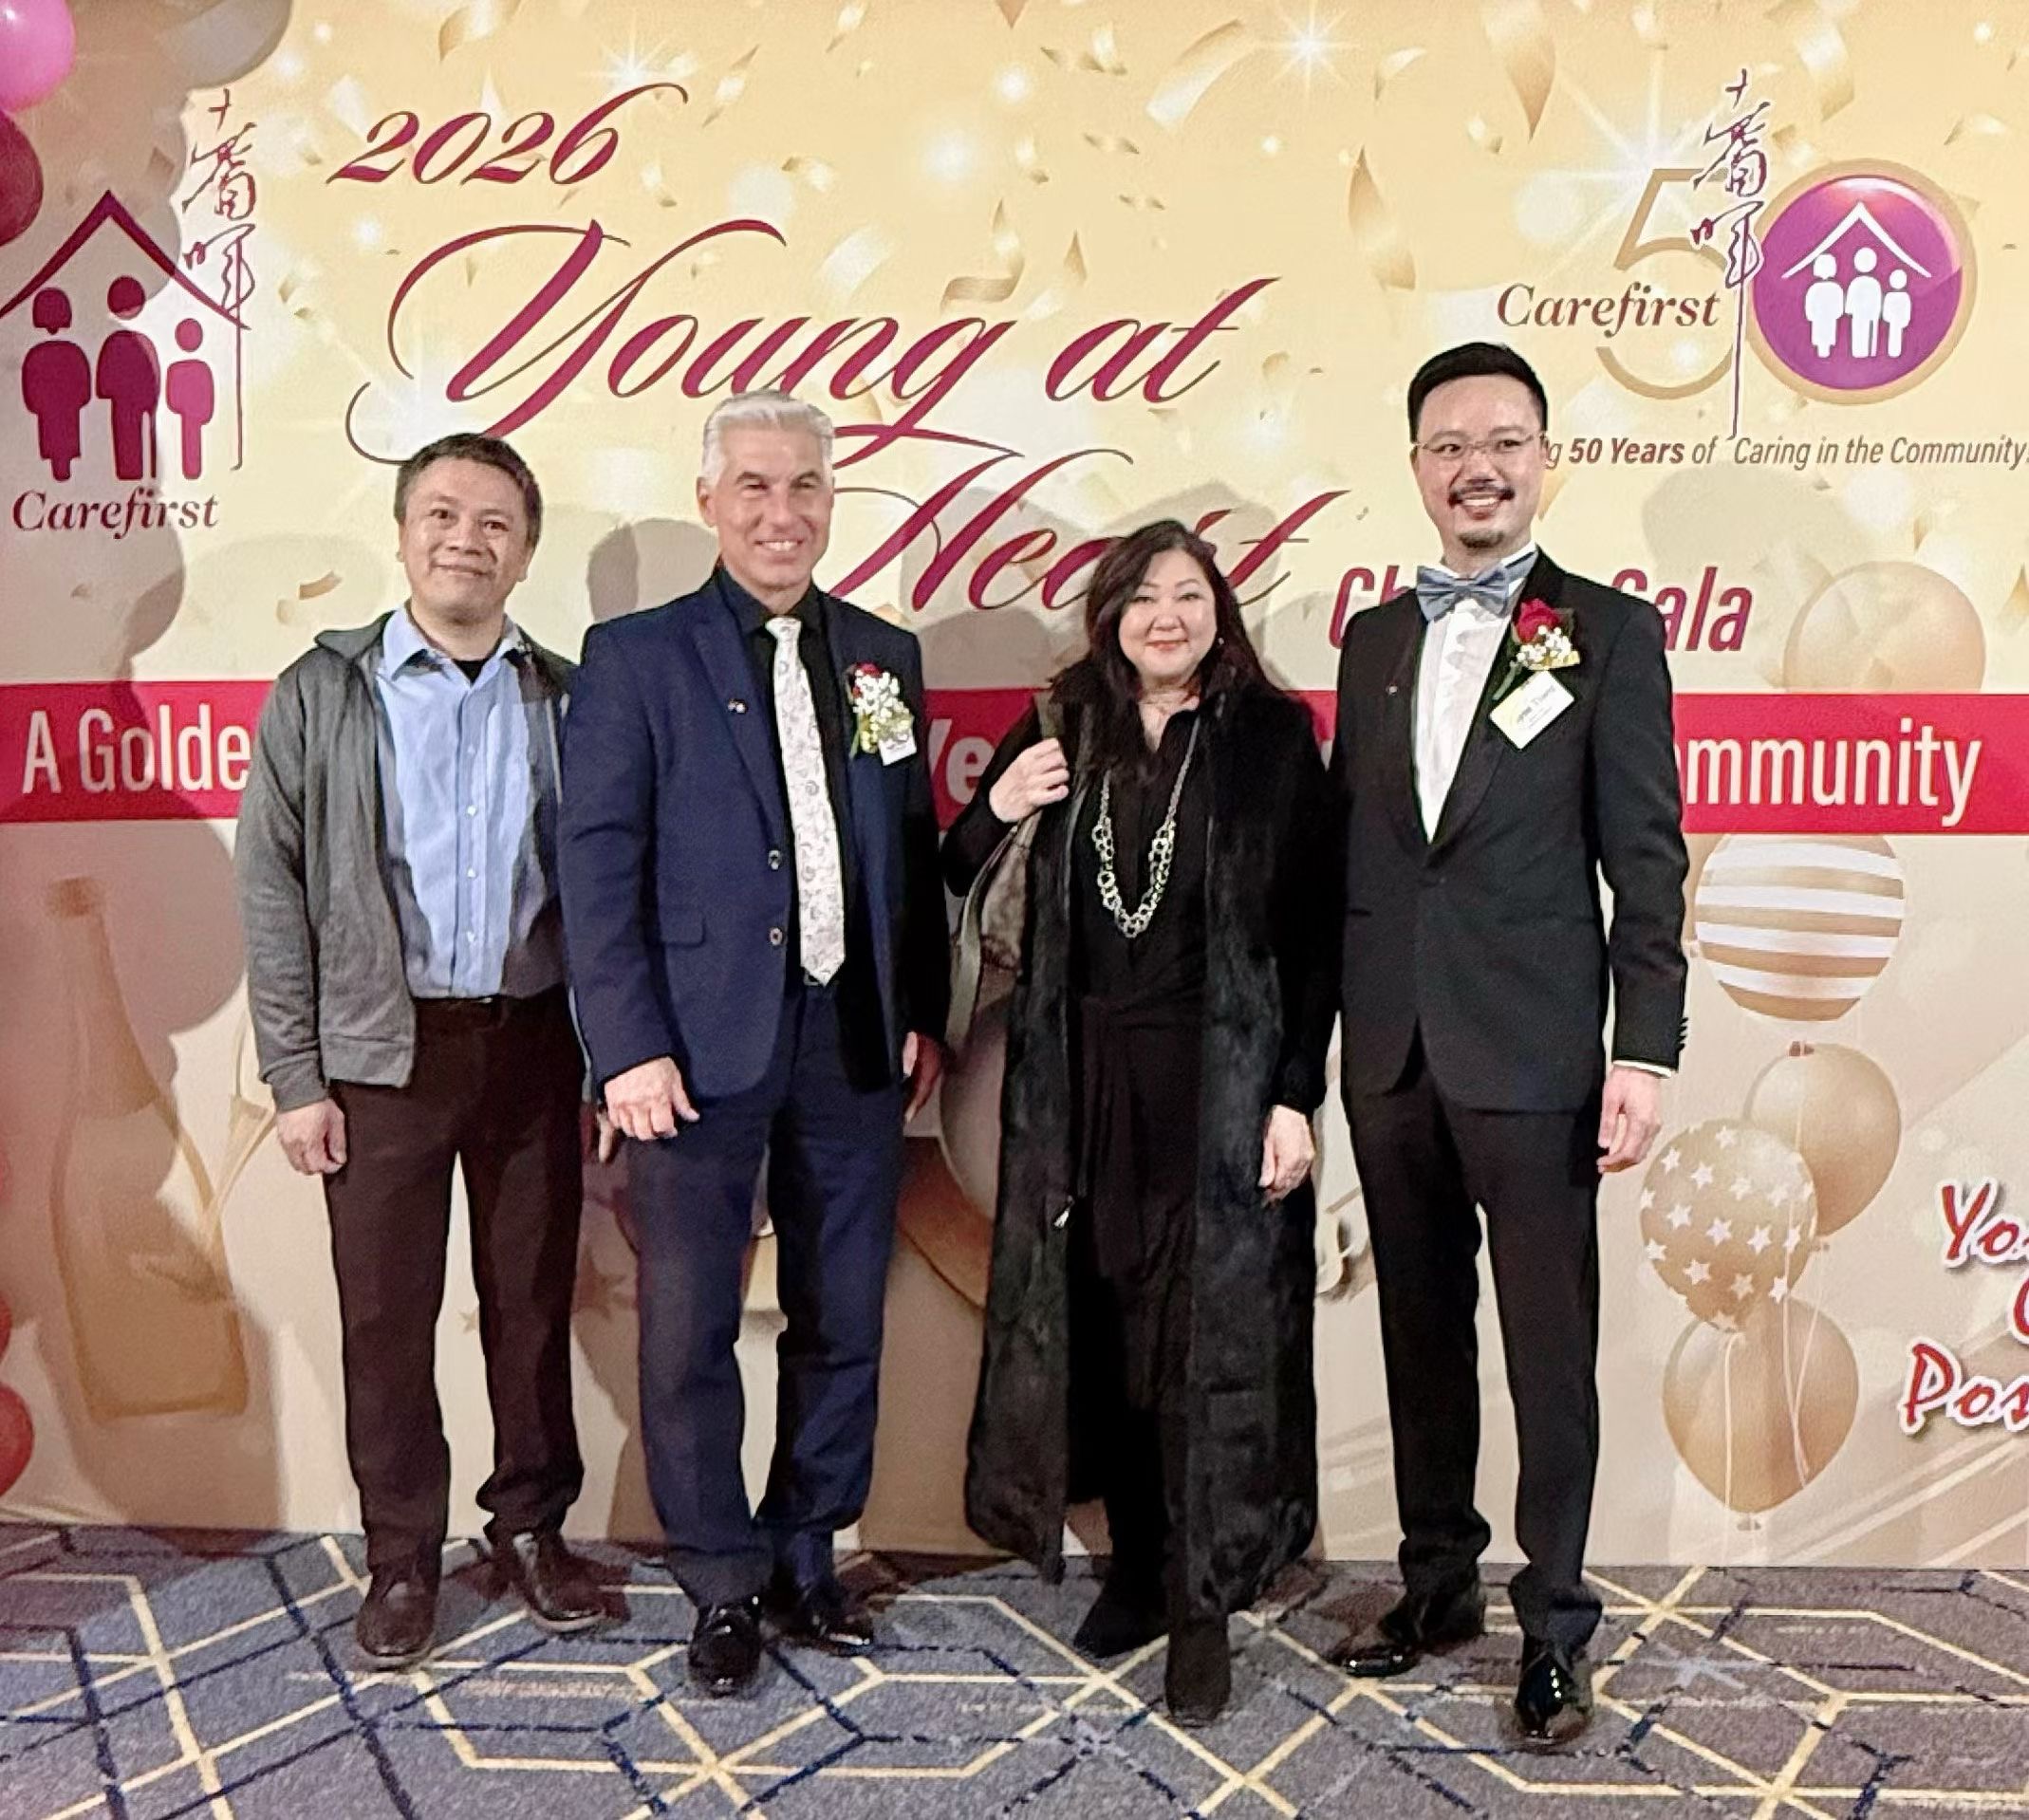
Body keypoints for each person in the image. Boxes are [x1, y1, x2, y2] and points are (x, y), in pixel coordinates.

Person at [558, 390, 950, 1698]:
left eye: (805, 487)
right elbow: (596, 867)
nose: (782, 513)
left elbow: (904, 849)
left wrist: (919, 1008)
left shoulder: (883, 655)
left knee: (843, 1317)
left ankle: (804, 1552)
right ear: (709, 502)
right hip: (690, 1051)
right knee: (688, 1330)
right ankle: (719, 1577)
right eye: (755, 487)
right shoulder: (635, 656)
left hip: (852, 1042)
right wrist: (625, 1046)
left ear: (831, 500)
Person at [1327, 343, 1687, 1744]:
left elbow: (1644, 860)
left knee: (1546, 1350)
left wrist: (1641, 1049)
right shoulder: (1374, 641)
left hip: (1536, 1053)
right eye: (1448, 445)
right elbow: (1359, 857)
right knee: (1417, 1335)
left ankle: (1555, 1622)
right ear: (1416, 467)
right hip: (1392, 1048)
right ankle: (1434, 1584)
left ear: (1543, 459)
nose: (1475, 466)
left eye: (1501, 442)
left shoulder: (1610, 634)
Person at [951, 519, 1339, 1728]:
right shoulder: (1063, 719)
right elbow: (959, 867)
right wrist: (996, 804)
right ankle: (1131, 1565)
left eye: (1188, 595)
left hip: (1219, 1079)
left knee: (1203, 1336)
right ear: (1109, 615)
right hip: (1080, 1079)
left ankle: (1201, 1599)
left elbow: (1315, 931)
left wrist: (1293, 1093)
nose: (1165, 617)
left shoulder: (1271, 736)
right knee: (1105, 1321)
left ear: (1218, 614)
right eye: (1142, 597)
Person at [237, 433, 603, 1668]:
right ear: (401, 535)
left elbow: (607, 888)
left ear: (525, 551)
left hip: (531, 1045)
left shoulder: (565, 695)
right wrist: (296, 1076)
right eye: (441, 513)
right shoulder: (322, 690)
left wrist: (606, 1056)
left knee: (530, 1310)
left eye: (495, 521)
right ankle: (401, 1556)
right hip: (379, 1058)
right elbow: (272, 889)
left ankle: (531, 1528)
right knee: (386, 1321)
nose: (466, 539)